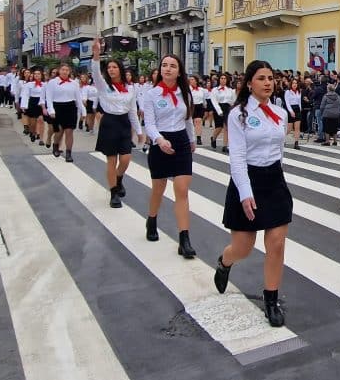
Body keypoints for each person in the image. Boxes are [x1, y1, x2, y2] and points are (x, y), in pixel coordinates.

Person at [213, 60, 291, 328]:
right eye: (261, 78)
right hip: (247, 179)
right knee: (243, 247)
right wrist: (245, 193)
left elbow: (279, 151)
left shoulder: (280, 113)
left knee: (277, 243)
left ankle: (271, 300)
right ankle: (224, 262)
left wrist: (279, 175)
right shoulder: (238, 115)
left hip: (274, 180)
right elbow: (237, 157)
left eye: (270, 77)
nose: (268, 82)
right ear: (249, 83)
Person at [142, 54, 197, 258]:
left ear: (179, 71)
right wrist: (159, 140)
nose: (168, 69)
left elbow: (188, 119)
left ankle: (184, 239)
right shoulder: (152, 94)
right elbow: (149, 123)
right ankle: (152, 219)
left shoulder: (185, 93)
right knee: (159, 188)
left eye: (172, 66)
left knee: (182, 190)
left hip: (181, 142)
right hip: (160, 143)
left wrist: (192, 140)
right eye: (164, 65)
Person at [91, 39, 142, 208]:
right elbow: (96, 73)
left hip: (124, 123)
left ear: (120, 69)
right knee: (111, 160)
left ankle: (119, 179)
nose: (111, 70)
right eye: (109, 67)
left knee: (126, 159)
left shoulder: (130, 88)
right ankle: (113, 193)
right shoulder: (104, 86)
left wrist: (139, 131)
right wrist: (96, 55)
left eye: (114, 67)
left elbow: (133, 110)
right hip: (110, 122)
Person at [43, 63, 85, 162]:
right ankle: (55, 145)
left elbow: (78, 98)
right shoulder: (52, 82)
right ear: (59, 71)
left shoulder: (74, 83)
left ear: (69, 71)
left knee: (69, 131)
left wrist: (83, 110)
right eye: (63, 69)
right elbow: (49, 97)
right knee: (59, 131)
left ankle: (69, 153)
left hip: (70, 107)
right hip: (57, 107)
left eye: (67, 70)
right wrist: (51, 110)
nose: (65, 71)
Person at [210, 73, 235, 153]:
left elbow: (232, 101)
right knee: (219, 127)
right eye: (221, 78)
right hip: (218, 108)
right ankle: (213, 138)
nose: (223, 80)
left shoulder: (230, 90)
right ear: (219, 80)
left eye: (224, 78)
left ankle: (225, 146)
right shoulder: (215, 90)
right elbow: (214, 101)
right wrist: (219, 111)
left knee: (226, 127)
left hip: (227, 108)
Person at [20, 68, 46, 144]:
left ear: (41, 75)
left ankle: (41, 139)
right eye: (35, 74)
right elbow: (25, 95)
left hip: (41, 103)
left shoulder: (45, 84)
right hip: (32, 102)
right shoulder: (29, 84)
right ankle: (32, 133)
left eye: (38, 74)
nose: (37, 75)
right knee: (33, 123)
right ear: (33, 75)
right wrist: (24, 106)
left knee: (41, 120)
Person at [319, 80, 340, 146]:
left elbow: (322, 106)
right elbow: (339, 104)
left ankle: (327, 141)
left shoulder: (325, 96)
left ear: (328, 89)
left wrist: (322, 112)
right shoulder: (338, 96)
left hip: (327, 114)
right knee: (334, 128)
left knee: (326, 128)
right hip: (336, 114)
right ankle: (335, 141)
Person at [284, 77, 303, 150]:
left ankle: (296, 143)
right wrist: (291, 111)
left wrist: (300, 109)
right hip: (290, 109)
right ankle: (281, 139)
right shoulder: (288, 92)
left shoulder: (299, 91)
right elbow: (287, 103)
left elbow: (299, 102)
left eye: (296, 83)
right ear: (291, 84)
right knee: (289, 128)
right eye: (293, 83)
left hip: (297, 109)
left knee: (297, 128)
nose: (295, 84)